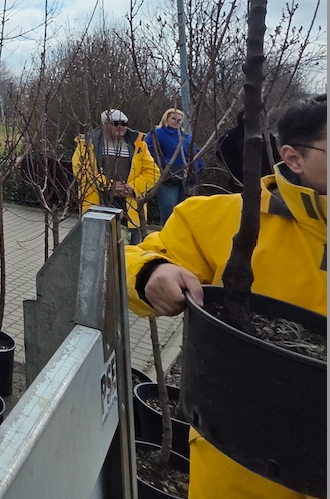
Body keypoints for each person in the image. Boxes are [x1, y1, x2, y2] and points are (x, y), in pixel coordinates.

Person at [125, 94, 326, 499]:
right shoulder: (226, 220)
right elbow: (132, 258)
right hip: (239, 475)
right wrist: (151, 273)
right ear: (293, 158)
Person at [72, 108, 159, 241]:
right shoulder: (86, 144)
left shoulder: (139, 145)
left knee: (131, 247)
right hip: (97, 203)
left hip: (130, 207)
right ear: (104, 124)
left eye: (124, 124)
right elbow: (81, 169)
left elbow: (153, 172)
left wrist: (133, 187)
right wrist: (109, 186)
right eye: (115, 123)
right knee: (96, 245)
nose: (120, 127)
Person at [145, 108, 204, 226]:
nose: (177, 121)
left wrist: (197, 168)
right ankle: (168, 233)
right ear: (166, 119)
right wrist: (165, 166)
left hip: (188, 178)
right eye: (173, 118)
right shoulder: (156, 134)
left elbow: (196, 154)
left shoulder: (186, 137)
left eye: (179, 119)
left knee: (186, 209)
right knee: (169, 208)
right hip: (168, 178)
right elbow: (151, 152)